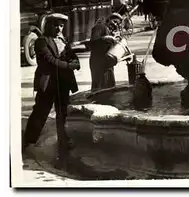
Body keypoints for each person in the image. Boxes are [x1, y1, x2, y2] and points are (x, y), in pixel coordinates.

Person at [23, 13, 80, 159]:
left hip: (63, 83)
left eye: (61, 25)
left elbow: (71, 53)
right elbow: (50, 60)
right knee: (41, 112)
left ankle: (63, 139)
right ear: (48, 25)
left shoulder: (62, 39)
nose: (58, 28)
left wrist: (75, 60)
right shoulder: (41, 41)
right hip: (48, 82)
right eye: (55, 25)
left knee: (62, 113)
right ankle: (28, 142)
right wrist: (69, 66)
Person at [89, 13, 123, 92]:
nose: (115, 24)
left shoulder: (109, 30)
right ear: (109, 19)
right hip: (98, 63)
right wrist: (105, 38)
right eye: (114, 21)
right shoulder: (100, 27)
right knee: (99, 89)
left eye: (117, 23)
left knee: (109, 88)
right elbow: (92, 43)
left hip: (106, 63)